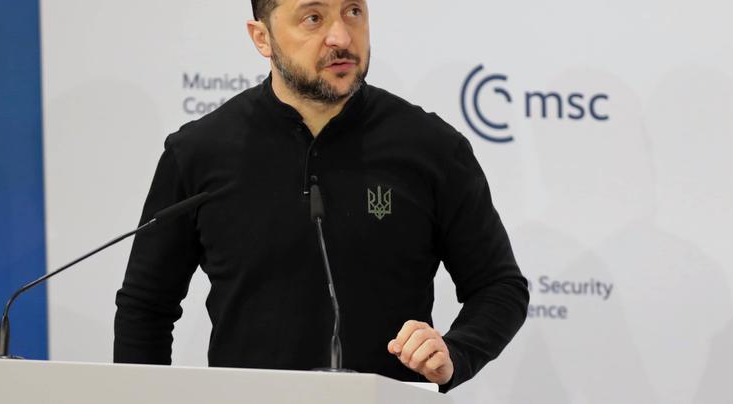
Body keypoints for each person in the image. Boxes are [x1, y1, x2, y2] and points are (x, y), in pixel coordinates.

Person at [114, 0, 529, 392]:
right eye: (313, 17)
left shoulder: (433, 148)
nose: (341, 37)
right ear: (262, 37)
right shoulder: (198, 153)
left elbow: (499, 286)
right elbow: (146, 308)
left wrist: (455, 353)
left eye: (353, 11)